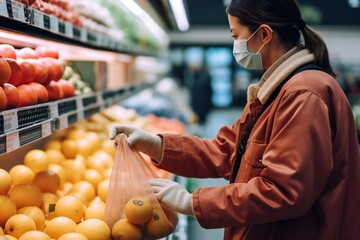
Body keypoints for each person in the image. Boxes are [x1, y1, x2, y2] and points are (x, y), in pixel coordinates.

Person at [109, 0, 360, 239]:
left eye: (236, 35)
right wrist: (155, 144)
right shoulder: (277, 89)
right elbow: (228, 151)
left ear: (264, 34)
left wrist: (192, 202)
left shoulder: (303, 94)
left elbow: (283, 191)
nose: (235, 45)